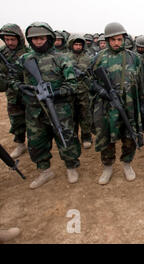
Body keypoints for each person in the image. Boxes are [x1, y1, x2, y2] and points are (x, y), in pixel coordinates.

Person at [11, 22, 81, 188]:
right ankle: (45, 171)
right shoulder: (24, 59)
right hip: (34, 110)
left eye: (41, 38)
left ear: (49, 38)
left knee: (66, 138)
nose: (38, 41)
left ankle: (71, 166)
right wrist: (21, 87)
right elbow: (11, 78)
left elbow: (72, 84)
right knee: (36, 142)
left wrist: (55, 93)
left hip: (59, 108)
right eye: (34, 39)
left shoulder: (62, 58)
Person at [90, 22, 144, 185]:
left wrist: (142, 104)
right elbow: (88, 80)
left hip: (129, 105)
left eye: (119, 39)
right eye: (112, 40)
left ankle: (127, 164)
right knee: (106, 137)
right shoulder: (98, 58)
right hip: (106, 107)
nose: (116, 43)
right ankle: (107, 167)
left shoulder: (134, 58)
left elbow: (142, 82)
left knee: (130, 136)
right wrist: (100, 91)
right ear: (107, 40)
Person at [0, 24, 29, 159]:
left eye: (13, 39)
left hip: (29, 92)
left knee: (34, 120)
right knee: (16, 120)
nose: (10, 42)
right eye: (7, 39)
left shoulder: (28, 52)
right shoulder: (2, 53)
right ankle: (20, 143)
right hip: (12, 93)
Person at [66, 34, 93, 149]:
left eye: (80, 44)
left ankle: (86, 137)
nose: (78, 46)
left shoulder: (88, 59)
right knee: (71, 116)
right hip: (69, 92)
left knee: (85, 115)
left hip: (84, 92)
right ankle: (73, 137)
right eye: (75, 44)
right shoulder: (64, 58)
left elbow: (92, 75)